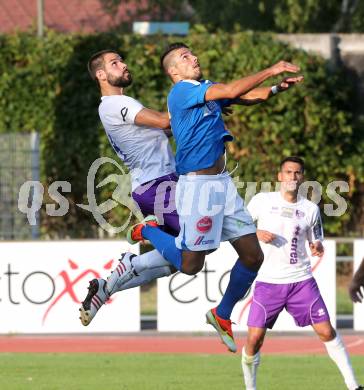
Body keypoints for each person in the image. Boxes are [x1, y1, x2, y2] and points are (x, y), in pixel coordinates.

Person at [127, 42, 303, 352]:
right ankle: (147, 230)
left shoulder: (204, 89)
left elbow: (242, 95)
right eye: (185, 57)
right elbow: (234, 87)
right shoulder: (181, 92)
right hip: (198, 188)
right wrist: (271, 68)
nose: (193, 58)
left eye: (192, 53)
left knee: (253, 256)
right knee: (190, 264)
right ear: (173, 71)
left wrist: (275, 88)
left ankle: (221, 315)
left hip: (222, 184)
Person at [241, 156, 363, 390]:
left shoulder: (310, 209)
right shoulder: (261, 201)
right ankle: (250, 388)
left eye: (297, 173)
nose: (292, 177)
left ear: (302, 177)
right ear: (279, 176)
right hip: (268, 283)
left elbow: (316, 242)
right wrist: (257, 232)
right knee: (254, 340)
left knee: (327, 331)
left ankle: (353, 386)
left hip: (301, 281)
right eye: (288, 172)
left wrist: (317, 247)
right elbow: (239, 226)